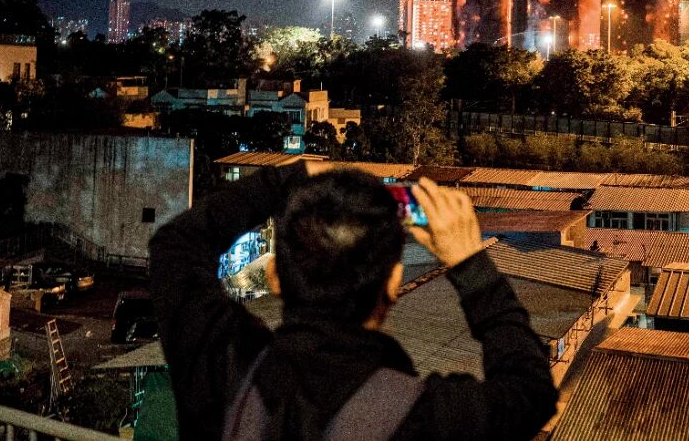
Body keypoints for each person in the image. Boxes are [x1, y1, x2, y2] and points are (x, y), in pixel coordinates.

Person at [149, 163, 558, 440]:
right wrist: (469, 263)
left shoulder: (220, 368)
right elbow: (531, 393)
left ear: (274, 277)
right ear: (394, 283)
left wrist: (291, 179)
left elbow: (175, 244)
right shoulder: (425, 416)